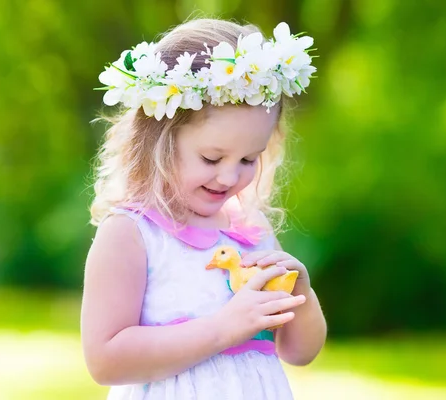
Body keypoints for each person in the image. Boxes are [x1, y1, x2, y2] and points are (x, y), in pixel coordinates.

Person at [81, 17, 327, 400]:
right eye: (212, 158)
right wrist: (222, 329)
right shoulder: (131, 235)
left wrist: (303, 294)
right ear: (158, 142)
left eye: (249, 159)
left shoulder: (250, 227)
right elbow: (104, 360)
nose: (230, 177)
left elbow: (298, 352)